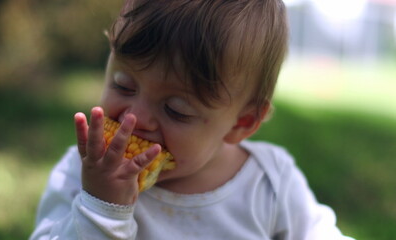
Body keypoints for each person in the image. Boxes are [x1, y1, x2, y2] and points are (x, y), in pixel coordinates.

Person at [30, 0, 354, 239]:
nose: (135, 117)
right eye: (123, 85)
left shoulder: (271, 183)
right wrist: (100, 207)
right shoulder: (83, 172)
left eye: (176, 109)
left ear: (242, 123)